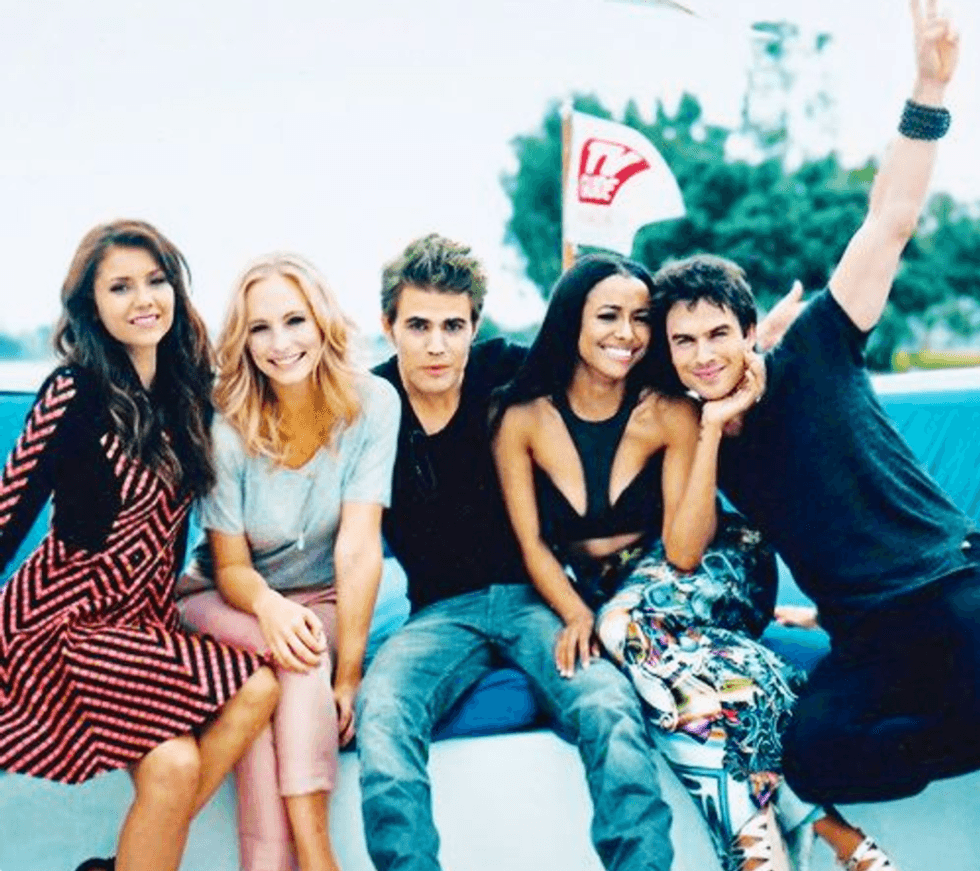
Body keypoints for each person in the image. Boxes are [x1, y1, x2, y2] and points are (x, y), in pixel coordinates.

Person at [647, 0, 978, 818]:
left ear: (749, 329)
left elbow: (890, 219)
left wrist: (930, 87)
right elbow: (683, 549)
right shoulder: (703, 433)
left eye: (717, 333)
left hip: (948, 584)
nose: (703, 354)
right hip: (868, 635)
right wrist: (712, 430)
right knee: (815, 756)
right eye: (684, 341)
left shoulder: (819, 345)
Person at [492, 253, 892, 871]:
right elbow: (531, 545)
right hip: (621, 600)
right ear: (572, 320)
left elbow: (683, 551)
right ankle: (831, 839)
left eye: (640, 319)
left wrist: (708, 428)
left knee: (623, 631)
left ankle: (758, 850)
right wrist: (572, 612)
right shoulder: (520, 418)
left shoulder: (669, 409)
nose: (627, 333)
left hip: (715, 564)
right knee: (674, 685)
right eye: (608, 316)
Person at [355, 233, 675, 871]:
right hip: (440, 615)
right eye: (418, 326)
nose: (437, 345)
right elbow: (285, 436)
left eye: (453, 326)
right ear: (388, 326)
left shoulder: (507, 370)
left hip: (540, 599)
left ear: (474, 326)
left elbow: (603, 354)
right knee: (382, 712)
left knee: (609, 707)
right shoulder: (367, 405)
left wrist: (746, 362)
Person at [0, 219, 279, 871]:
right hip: (62, 625)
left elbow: (278, 425)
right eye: (120, 287)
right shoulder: (72, 392)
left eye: (155, 281)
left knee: (257, 689)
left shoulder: (190, 396)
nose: (143, 299)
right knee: (174, 764)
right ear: (91, 306)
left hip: (142, 622)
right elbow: (8, 511)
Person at [178, 253, 399, 871]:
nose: (280, 343)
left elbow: (359, 548)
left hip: (324, 599)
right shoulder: (227, 426)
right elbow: (230, 567)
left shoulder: (372, 404)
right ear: (243, 342)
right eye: (260, 328)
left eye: (295, 320)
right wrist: (270, 609)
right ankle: (320, 857)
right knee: (297, 657)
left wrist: (349, 678)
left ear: (322, 321)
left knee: (284, 671)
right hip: (224, 598)